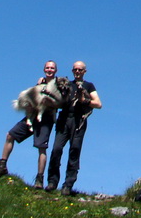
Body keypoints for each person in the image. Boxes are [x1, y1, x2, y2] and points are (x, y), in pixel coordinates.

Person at [0, 60, 61, 188]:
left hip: (46, 118)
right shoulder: (40, 82)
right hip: (32, 116)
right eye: (47, 68)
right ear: (44, 70)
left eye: (52, 68)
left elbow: (59, 102)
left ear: (55, 71)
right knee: (10, 135)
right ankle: (2, 166)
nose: (49, 70)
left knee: (41, 147)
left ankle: (39, 179)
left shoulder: (58, 84)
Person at [45, 60, 102, 195]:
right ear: (72, 71)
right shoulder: (66, 84)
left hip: (78, 121)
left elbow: (98, 104)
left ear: (84, 72)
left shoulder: (89, 86)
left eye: (80, 70)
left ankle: (68, 184)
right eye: (75, 70)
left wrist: (84, 101)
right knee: (56, 149)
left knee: (74, 151)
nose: (77, 72)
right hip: (64, 119)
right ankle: (52, 182)